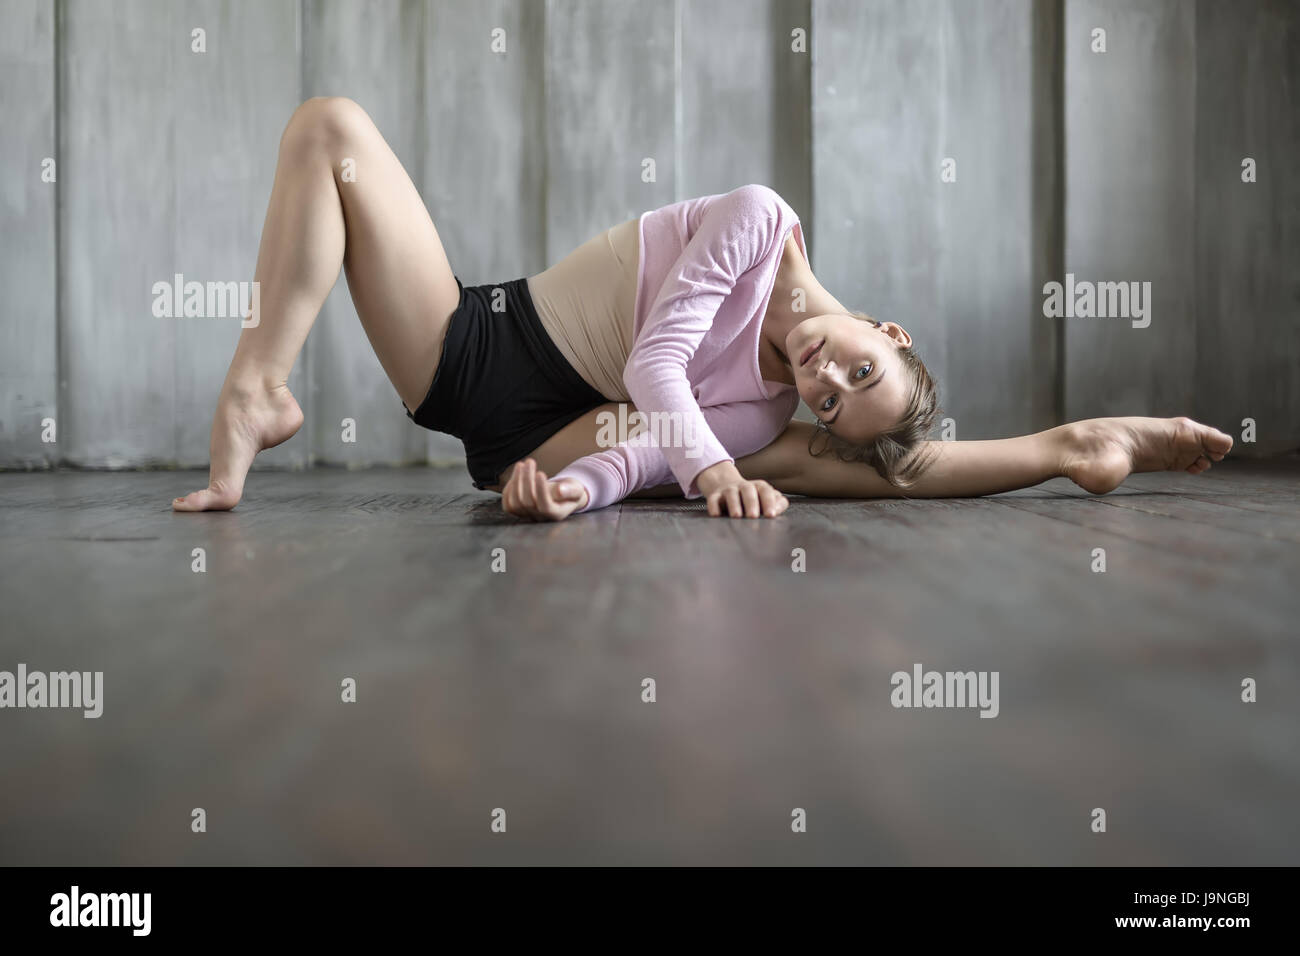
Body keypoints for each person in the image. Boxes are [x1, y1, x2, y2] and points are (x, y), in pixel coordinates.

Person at [172, 98, 1232, 519]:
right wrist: (716, 470)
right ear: (887, 329)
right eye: (859, 367)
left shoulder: (773, 416)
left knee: (868, 466)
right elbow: (655, 365)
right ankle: (258, 385)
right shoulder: (760, 223)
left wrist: (567, 496)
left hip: (533, 447)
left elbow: (636, 445)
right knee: (329, 130)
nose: (828, 376)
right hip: (472, 349)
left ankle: (1071, 445)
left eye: (834, 391)